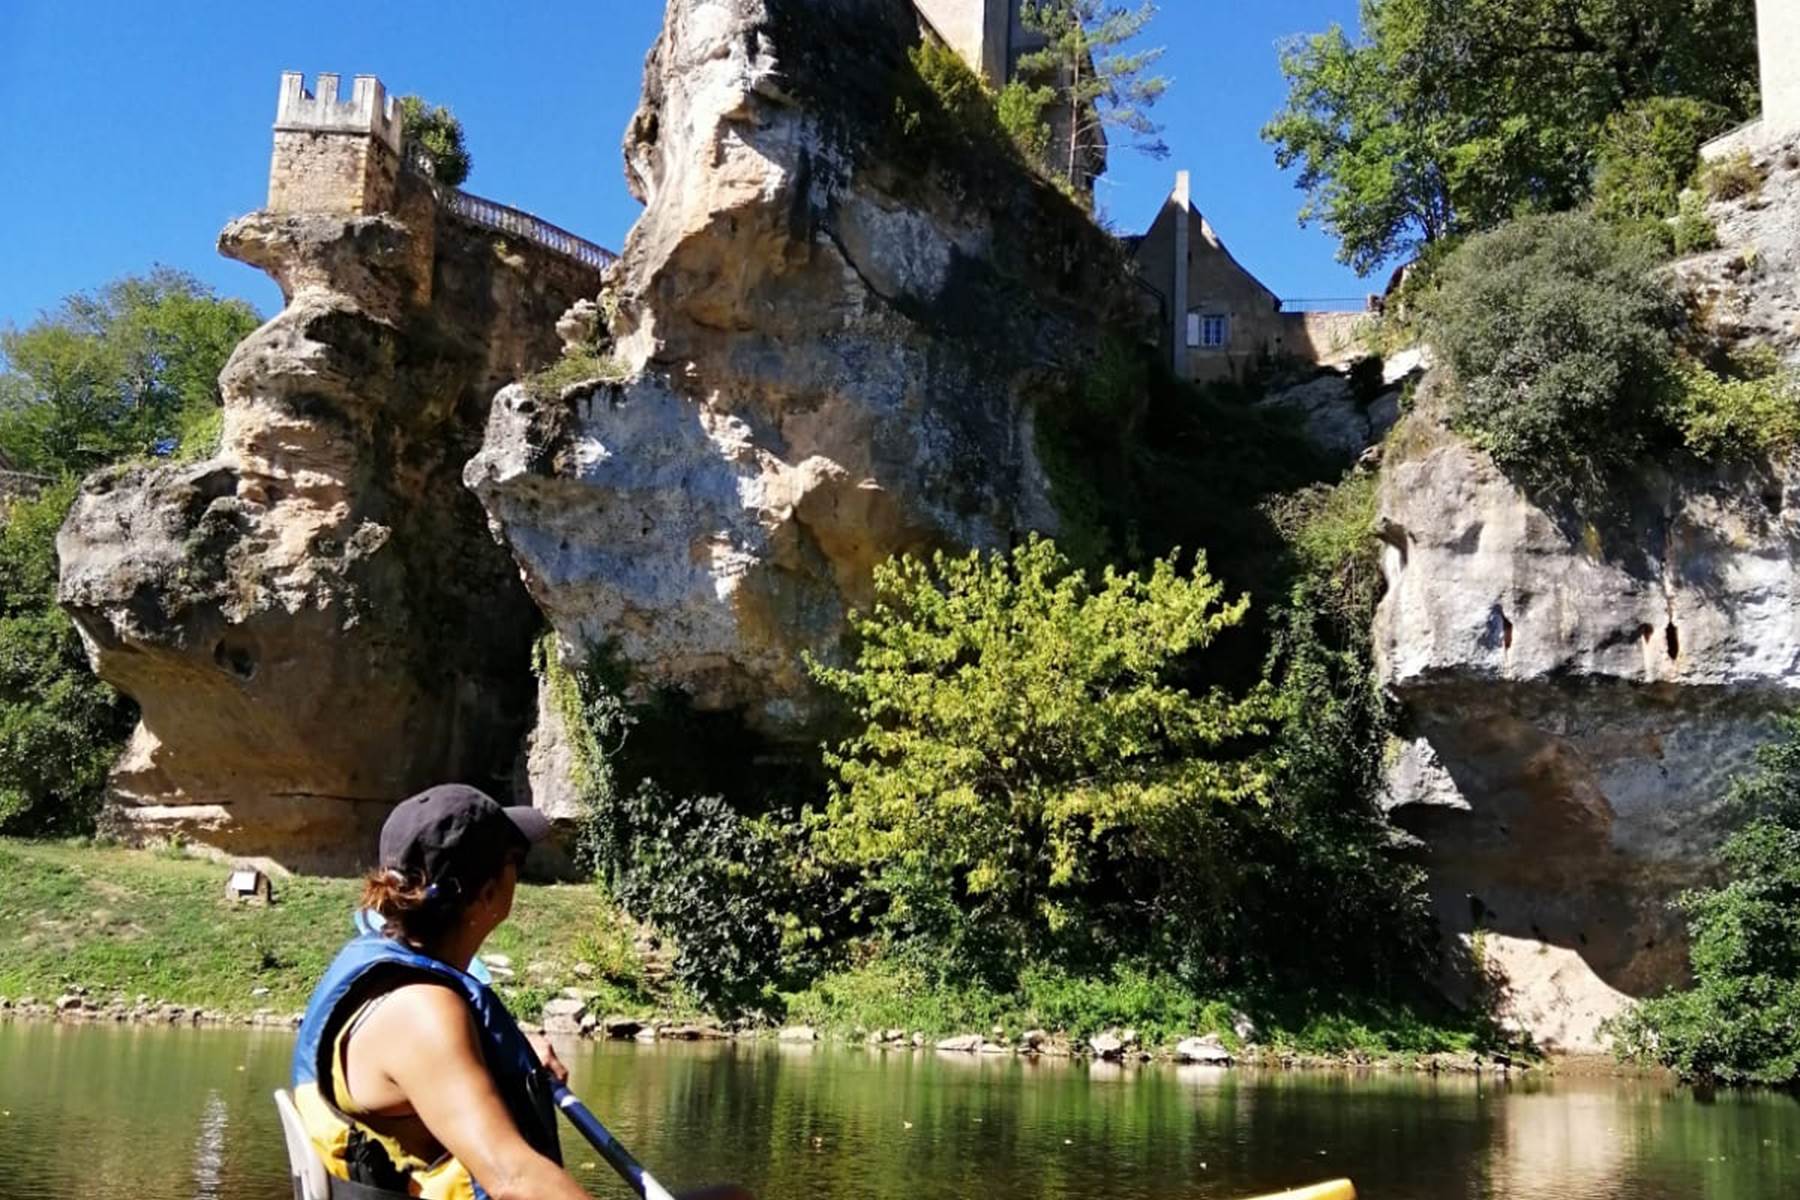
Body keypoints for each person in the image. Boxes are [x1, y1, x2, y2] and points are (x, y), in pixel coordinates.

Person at [291, 783, 583, 1200]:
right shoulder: (421, 1011)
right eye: (514, 862)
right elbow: (515, 1181)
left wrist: (507, 1059)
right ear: (487, 894)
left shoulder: (382, 970)